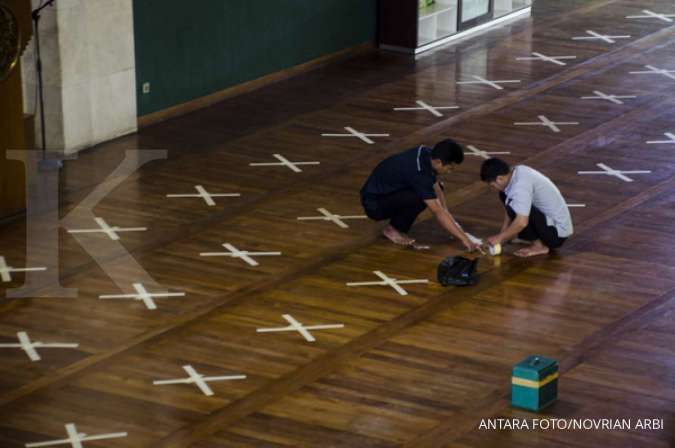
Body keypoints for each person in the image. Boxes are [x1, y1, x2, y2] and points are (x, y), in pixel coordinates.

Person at [360, 139, 480, 251]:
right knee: (420, 197)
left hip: (387, 192)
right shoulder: (419, 173)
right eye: (450, 168)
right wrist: (465, 239)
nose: (450, 171)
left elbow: (436, 186)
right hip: (374, 204)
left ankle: (396, 227)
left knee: (433, 190)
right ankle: (394, 229)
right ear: (438, 162)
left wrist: (447, 214)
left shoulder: (426, 153)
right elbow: (437, 211)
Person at [480, 158, 573, 257]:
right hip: (549, 223)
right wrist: (503, 234)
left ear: (500, 178)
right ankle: (534, 238)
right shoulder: (517, 171)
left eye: (493, 185)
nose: (493, 188)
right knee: (506, 197)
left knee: (516, 208)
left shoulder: (520, 187)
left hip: (556, 235)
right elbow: (509, 208)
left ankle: (539, 246)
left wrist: (500, 238)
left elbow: (522, 222)